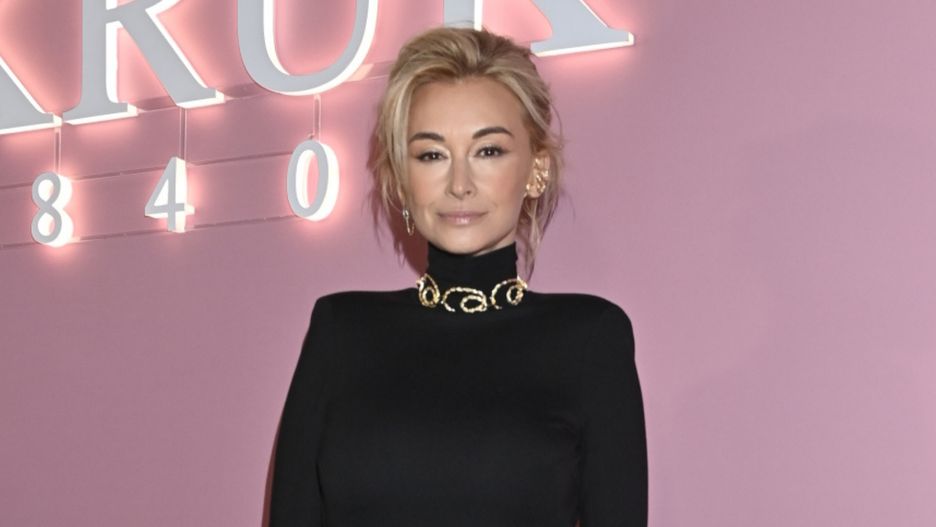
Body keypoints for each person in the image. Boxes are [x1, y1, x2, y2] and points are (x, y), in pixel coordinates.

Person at [269, 26, 648, 527]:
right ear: (402, 178)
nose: (459, 184)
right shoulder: (341, 330)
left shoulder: (590, 339)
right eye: (432, 155)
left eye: (488, 151)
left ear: (536, 169)